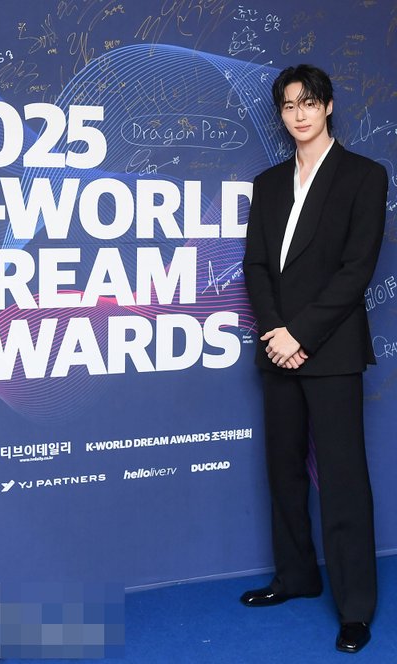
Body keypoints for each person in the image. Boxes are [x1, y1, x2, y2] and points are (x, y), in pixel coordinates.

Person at [241, 64, 388, 654]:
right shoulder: (268, 183)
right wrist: (275, 332)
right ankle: (296, 576)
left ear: (327, 107)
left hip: (331, 349)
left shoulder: (365, 176)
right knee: (283, 470)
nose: (298, 114)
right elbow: (256, 266)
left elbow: (357, 270)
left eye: (308, 102)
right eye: (288, 105)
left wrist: (299, 333)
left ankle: (355, 608)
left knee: (343, 479)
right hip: (277, 348)